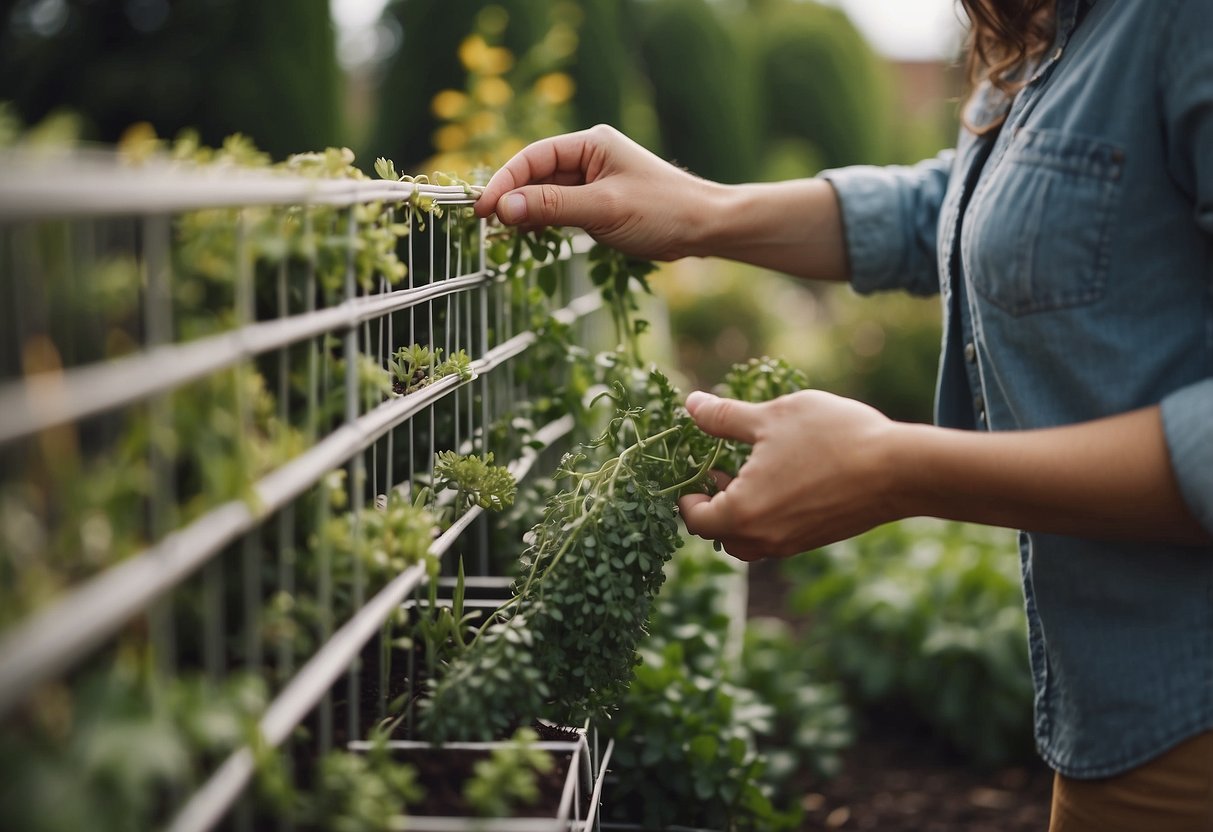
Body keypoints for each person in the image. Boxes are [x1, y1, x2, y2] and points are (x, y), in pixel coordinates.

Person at [475, 0, 1213, 828]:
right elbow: (977, 205)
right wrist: (703, 212)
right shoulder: (1059, 22)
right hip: (1118, 702)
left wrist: (893, 468)